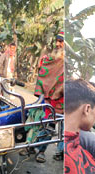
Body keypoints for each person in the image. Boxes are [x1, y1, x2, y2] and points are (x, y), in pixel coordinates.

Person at [32, 32, 64, 162]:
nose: (57, 44)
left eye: (61, 41)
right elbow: (43, 72)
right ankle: (39, 150)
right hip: (51, 101)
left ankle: (60, 152)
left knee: (65, 129)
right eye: (57, 41)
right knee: (48, 126)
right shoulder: (49, 60)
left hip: (67, 102)